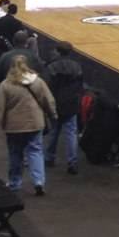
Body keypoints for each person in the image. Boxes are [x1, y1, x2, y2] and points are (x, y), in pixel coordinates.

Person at [0, 54, 57, 198]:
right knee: (35, 151)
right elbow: (48, 100)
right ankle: (38, 182)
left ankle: (14, 183)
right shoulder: (38, 82)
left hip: (14, 126)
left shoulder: (6, 85)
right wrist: (53, 115)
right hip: (35, 123)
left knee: (15, 153)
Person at [42, 42, 85, 177]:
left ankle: (49, 157)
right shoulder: (76, 66)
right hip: (71, 103)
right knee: (71, 132)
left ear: (57, 51)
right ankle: (72, 162)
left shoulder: (51, 66)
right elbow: (80, 85)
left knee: (54, 131)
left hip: (55, 102)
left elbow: (46, 85)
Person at [0, 32, 44, 98]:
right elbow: (43, 77)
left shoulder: (5, 56)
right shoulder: (35, 58)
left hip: (10, 95)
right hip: (28, 97)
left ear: (14, 41)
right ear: (26, 42)